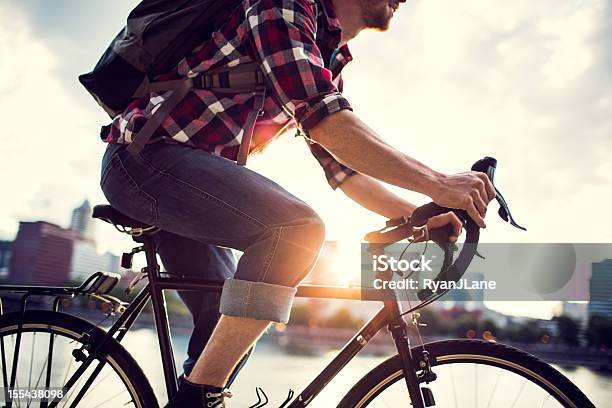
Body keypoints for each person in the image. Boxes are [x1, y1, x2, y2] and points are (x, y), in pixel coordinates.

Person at [99, 0, 495, 406]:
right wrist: (440, 183)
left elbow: (344, 169)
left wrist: (417, 215)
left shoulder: (327, 53)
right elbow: (327, 123)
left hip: (188, 183)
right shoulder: (282, 4)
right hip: (143, 161)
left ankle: (196, 395)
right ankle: (195, 401)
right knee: (296, 231)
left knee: (232, 324)